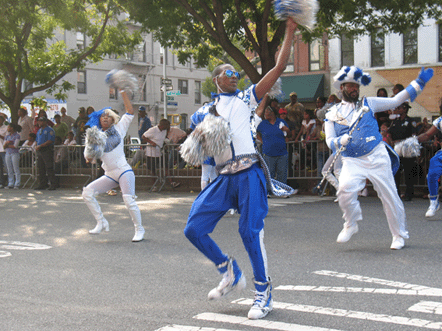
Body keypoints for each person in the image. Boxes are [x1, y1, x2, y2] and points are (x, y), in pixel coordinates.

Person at [183, 17, 298, 320]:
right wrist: (198, 136)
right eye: (228, 74)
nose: (234, 76)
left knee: (250, 232)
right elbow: (192, 139)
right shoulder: (203, 112)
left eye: (236, 74)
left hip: (248, 173)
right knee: (193, 228)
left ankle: (264, 293)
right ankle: (229, 271)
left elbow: (278, 68)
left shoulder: (246, 99)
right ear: (216, 81)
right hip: (223, 178)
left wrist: (289, 30)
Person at [325, 66, 433, 250]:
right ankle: (351, 223)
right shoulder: (331, 114)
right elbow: (329, 141)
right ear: (342, 88)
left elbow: (396, 100)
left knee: (389, 195)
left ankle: (398, 235)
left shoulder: (369, 103)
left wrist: (418, 83)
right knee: (343, 190)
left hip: (376, 155)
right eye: (351, 86)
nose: (355, 89)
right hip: (352, 160)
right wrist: (338, 141)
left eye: (356, 86)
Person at [82, 90, 145, 242]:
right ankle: (101, 222)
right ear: (99, 119)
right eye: (102, 116)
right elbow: (88, 158)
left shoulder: (119, 128)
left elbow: (130, 111)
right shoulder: (95, 135)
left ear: (112, 119)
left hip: (124, 170)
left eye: (108, 116)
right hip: (109, 174)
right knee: (87, 193)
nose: (105, 118)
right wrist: (91, 151)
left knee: (128, 200)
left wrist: (123, 93)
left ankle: (139, 229)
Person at [414, 100, 442, 218]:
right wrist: (412, 140)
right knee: (432, 170)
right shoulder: (440, 121)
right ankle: (434, 202)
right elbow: (426, 135)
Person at [257, 106, 291, 193]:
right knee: (269, 173)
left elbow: (289, 134)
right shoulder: (263, 123)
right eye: (265, 113)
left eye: (268, 112)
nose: (266, 114)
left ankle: (282, 191)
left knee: (282, 173)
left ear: (272, 113)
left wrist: (287, 130)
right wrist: (261, 141)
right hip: (268, 152)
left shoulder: (281, 122)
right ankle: (268, 191)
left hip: (282, 152)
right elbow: (256, 132)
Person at [388, 102, 416, 201]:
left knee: (408, 171)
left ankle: (409, 193)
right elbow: (390, 132)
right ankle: (396, 193)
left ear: (405, 109)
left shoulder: (410, 121)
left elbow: (413, 135)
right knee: (396, 171)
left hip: (406, 148)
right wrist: (391, 140)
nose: (397, 109)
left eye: (399, 108)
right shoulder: (395, 121)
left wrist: (403, 141)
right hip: (396, 148)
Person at [35, 116, 57, 190]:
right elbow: (37, 140)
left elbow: (50, 140)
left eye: (41, 121)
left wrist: (41, 145)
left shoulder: (50, 130)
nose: (39, 123)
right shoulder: (39, 130)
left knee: (49, 167)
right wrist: (36, 146)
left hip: (47, 150)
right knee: (41, 168)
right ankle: (43, 183)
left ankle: (53, 184)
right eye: (38, 121)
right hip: (40, 150)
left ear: (45, 122)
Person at [4, 123, 22, 189]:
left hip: (14, 153)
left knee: (15, 168)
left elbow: (15, 146)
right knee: (9, 169)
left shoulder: (17, 135)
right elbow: (4, 146)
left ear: (12, 128)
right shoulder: (7, 136)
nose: (7, 128)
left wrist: (8, 144)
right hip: (8, 153)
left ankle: (17, 183)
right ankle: (10, 183)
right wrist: (7, 143)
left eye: (8, 127)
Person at [0, 115, 8, 188]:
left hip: (3, 149)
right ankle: (1, 182)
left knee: (6, 166)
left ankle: (9, 181)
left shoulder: (5, 128)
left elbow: (7, 138)